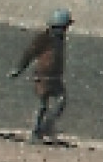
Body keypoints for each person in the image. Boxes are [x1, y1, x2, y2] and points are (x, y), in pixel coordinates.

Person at [8, 8, 73, 143]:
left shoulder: (59, 39)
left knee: (60, 101)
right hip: (43, 76)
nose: (64, 30)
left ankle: (46, 127)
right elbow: (30, 53)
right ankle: (37, 132)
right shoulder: (44, 38)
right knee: (42, 105)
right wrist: (19, 69)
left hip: (54, 77)